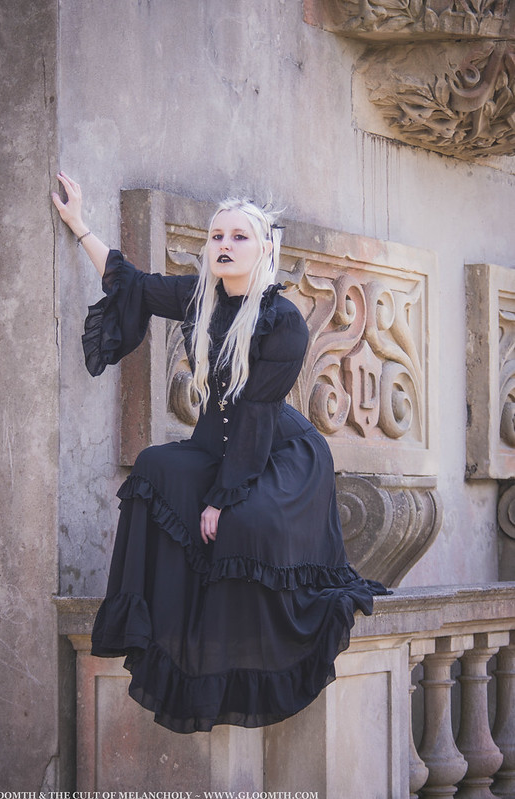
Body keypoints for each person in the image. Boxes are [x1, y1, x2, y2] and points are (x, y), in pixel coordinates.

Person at [52, 171, 389, 734]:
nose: (225, 245)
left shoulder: (283, 322)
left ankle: (241, 658)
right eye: (217, 237)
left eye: (238, 237)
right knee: (154, 468)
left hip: (280, 455)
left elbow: (255, 416)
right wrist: (80, 224)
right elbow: (132, 283)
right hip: (218, 444)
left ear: (264, 250)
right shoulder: (199, 298)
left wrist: (220, 499)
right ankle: (157, 623)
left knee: (243, 523)